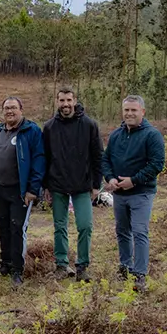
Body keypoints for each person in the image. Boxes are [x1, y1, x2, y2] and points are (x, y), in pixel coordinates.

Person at [102, 95, 165, 293]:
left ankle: (139, 274)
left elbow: (156, 164)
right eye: (126, 110)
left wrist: (134, 181)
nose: (129, 113)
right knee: (122, 231)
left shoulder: (152, 135)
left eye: (134, 110)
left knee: (139, 231)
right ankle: (125, 267)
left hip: (141, 193)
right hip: (119, 194)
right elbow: (105, 160)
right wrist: (110, 178)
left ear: (142, 112)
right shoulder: (116, 135)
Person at [0, 96, 45, 288]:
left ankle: (18, 269)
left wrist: (33, 189)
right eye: (6, 108)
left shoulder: (31, 130)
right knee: (3, 227)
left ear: (21, 109)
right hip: (0, 190)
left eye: (13, 108)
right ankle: (5, 263)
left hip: (21, 191)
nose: (10, 111)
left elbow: (39, 159)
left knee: (18, 228)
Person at [43, 88, 103, 283]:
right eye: (62, 100)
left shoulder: (89, 125)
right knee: (59, 226)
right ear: (57, 101)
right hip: (57, 184)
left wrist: (96, 184)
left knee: (85, 226)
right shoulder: (50, 127)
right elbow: (45, 158)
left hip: (82, 185)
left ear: (75, 101)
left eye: (69, 100)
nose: (65, 104)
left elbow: (97, 156)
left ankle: (82, 266)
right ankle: (61, 264)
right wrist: (45, 186)